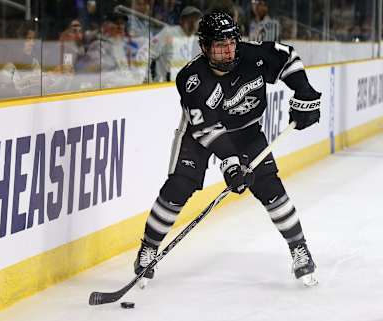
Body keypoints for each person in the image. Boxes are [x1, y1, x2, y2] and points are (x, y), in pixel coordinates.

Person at [134, 11, 320, 287]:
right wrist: (231, 165)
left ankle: (300, 251)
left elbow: (288, 58)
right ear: (205, 47)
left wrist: (304, 92)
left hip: (247, 132)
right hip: (200, 136)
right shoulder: (192, 79)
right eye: (220, 45)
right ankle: (148, 249)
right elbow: (209, 132)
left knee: (271, 188)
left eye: (231, 42)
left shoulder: (251, 56)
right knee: (178, 187)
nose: (228, 50)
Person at [143, 5, 202, 82]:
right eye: (190, 19)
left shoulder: (196, 41)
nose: (193, 22)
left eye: (196, 19)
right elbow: (147, 53)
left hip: (184, 88)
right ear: (181, 20)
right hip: (164, 86)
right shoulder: (169, 32)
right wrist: (148, 79)